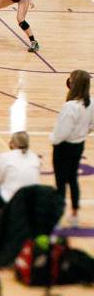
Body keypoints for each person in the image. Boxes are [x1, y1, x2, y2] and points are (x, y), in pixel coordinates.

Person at [51, 70, 93, 227]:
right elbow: (92, 125)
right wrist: (82, 133)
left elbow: (62, 133)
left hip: (64, 147)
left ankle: (58, 216)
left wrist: (53, 139)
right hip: (79, 145)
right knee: (73, 179)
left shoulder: (70, 107)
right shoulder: (91, 103)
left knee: (61, 182)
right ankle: (75, 214)